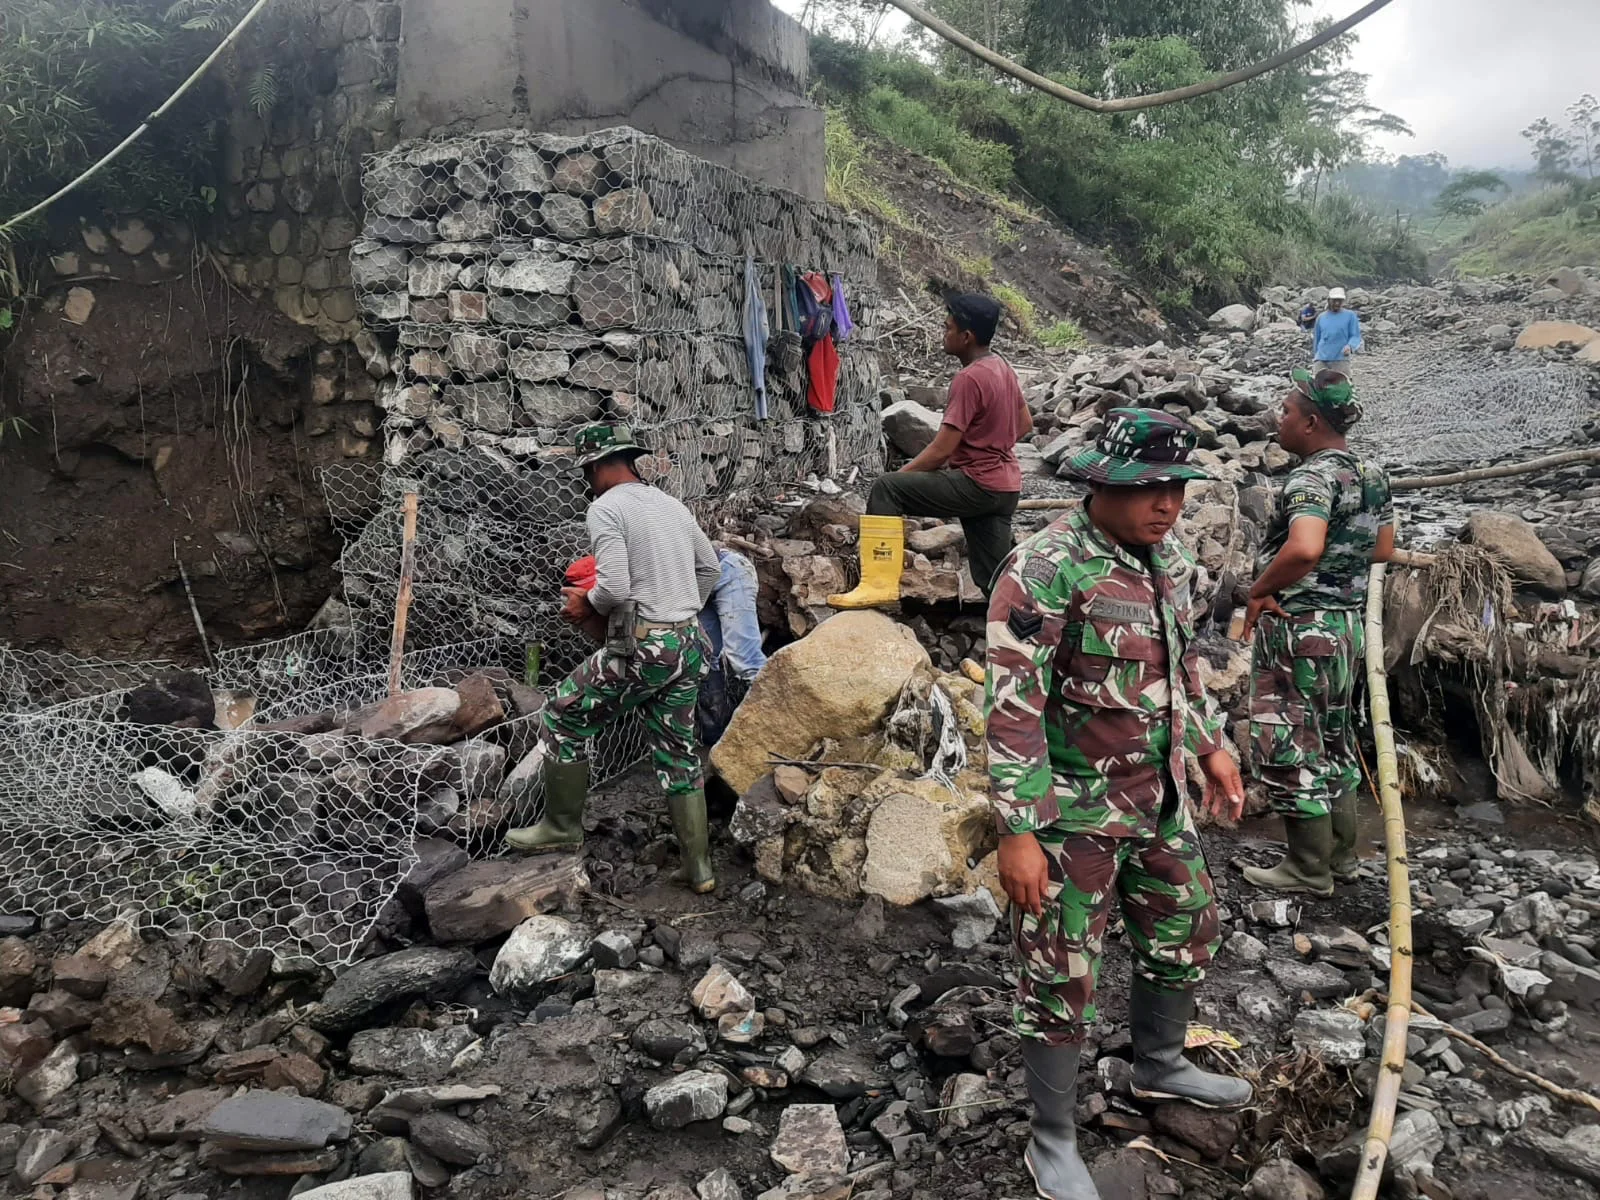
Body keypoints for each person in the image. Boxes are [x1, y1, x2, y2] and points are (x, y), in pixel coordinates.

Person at [985, 408, 1253, 1200]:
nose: (1166, 503)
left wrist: (1208, 745)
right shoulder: (1043, 569)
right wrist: (1019, 830)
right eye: (1147, 488)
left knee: (1187, 925)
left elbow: (1179, 673)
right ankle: (1053, 1138)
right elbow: (1011, 709)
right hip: (1073, 818)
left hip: (1158, 800)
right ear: (1099, 481)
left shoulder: (1162, 562)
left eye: (1175, 487)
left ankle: (1160, 1064)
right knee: (1061, 972)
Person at [506, 424, 723, 894]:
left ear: (600, 465)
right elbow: (709, 568)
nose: (587, 480)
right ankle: (699, 868)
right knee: (677, 750)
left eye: (587, 470)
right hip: (687, 642)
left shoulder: (605, 508)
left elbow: (616, 589)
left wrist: (589, 603)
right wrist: (679, 607)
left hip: (644, 645)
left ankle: (561, 827)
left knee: (562, 712)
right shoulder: (671, 505)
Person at [1238, 370, 1394, 896]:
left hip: (1300, 626)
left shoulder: (1310, 479)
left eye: (1285, 410)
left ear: (1309, 421)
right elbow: (1382, 549)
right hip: (1347, 627)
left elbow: (1304, 548)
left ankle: (1306, 867)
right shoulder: (1373, 473)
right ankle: (1340, 857)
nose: (1278, 419)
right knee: (1334, 738)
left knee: (1289, 740)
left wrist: (1260, 589)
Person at [828, 293, 1032, 608]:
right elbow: (1025, 423)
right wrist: (992, 443)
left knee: (887, 488)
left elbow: (941, 451)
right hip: (1005, 488)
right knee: (995, 580)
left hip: (977, 485)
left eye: (948, 328)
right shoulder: (1001, 367)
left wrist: (901, 474)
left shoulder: (969, 378)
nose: (944, 334)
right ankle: (1022, 634)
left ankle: (877, 587)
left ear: (967, 337)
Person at [696, 548, 768, 745]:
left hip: (728, 571)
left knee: (744, 658)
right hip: (700, 587)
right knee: (704, 656)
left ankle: (772, 729)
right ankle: (715, 735)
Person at [1310, 287, 1362, 374]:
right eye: (1334, 300)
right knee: (1317, 384)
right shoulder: (1321, 317)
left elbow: (1355, 335)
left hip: (1340, 358)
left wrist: (1350, 346)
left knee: (1342, 385)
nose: (1337, 303)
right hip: (1321, 358)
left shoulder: (1350, 316)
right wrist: (1315, 355)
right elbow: (1317, 339)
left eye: (1340, 301)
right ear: (1329, 300)